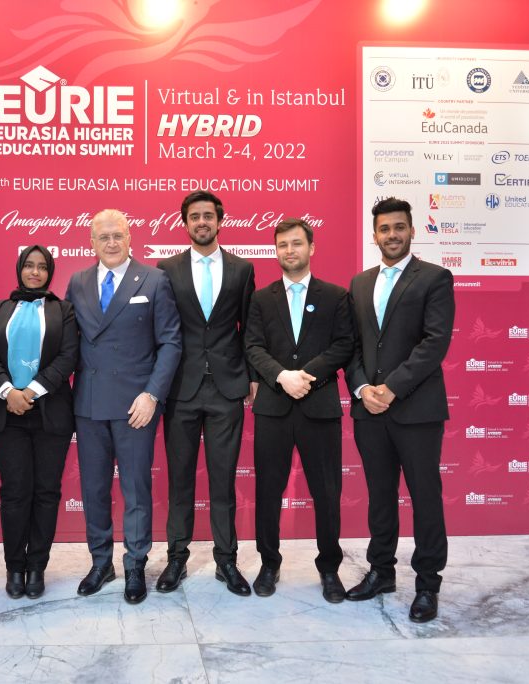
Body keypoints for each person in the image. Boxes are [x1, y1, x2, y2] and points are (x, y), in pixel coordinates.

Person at [345, 197, 455, 623]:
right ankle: (381, 571)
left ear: (412, 230)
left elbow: (434, 343)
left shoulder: (435, 278)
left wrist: (391, 388)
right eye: (384, 228)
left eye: (399, 227)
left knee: (425, 496)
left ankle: (427, 584)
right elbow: (353, 346)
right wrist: (361, 388)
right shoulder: (359, 283)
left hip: (417, 410)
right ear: (374, 235)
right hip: (369, 410)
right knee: (380, 495)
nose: (392, 235)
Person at [65, 209, 182, 604]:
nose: (112, 243)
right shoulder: (78, 281)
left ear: (130, 238)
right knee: (94, 489)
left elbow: (170, 341)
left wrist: (152, 394)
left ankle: (135, 564)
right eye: (104, 237)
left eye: (118, 235)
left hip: (136, 404)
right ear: (91, 242)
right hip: (89, 403)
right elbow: (67, 340)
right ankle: (101, 562)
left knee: (135, 489)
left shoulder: (154, 279)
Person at [244, 218, 354, 600]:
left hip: (319, 405)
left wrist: (304, 376)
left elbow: (344, 344)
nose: (289, 251)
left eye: (296, 243)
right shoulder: (261, 299)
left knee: (327, 492)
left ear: (311, 247)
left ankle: (329, 569)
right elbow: (253, 346)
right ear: (275, 251)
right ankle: (269, 563)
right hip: (273, 408)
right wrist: (281, 377)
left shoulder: (336, 295)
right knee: (268, 491)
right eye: (282, 245)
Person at [156, 191, 257, 596]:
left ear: (220, 221)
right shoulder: (167, 269)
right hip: (180, 388)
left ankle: (226, 560)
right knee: (179, 480)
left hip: (227, 389)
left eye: (208, 216)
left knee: (223, 481)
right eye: (194, 216)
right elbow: (162, 330)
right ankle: (176, 559)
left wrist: (251, 376)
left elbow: (250, 328)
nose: (201, 222)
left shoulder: (242, 269)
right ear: (185, 223)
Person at [0, 245, 78, 599]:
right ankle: (14, 567)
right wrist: (9, 392)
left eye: (42, 267)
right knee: (15, 492)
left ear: (50, 272)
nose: (35, 272)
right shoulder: (0, 309)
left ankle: (37, 566)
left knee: (46, 492)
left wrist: (32, 391)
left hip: (51, 414)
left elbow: (68, 356)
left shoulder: (63, 310)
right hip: (8, 414)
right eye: (29, 266)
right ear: (19, 269)